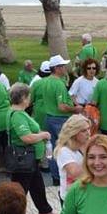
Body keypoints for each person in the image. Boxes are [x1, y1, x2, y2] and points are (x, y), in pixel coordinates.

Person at [6, 83, 57, 214]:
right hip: (24, 158)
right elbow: (26, 137)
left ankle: (44, 211)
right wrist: (43, 135)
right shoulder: (18, 116)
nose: (30, 98)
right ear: (23, 98)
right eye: (28, 96)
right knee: (19, 192)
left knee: (37, 185)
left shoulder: (19, 113)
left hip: (29, 158)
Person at [43, 55, 82, 186]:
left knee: (54, 148)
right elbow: (61, 106)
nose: (65, 68)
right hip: (59, 119)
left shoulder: (46, 81)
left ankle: (55, 176)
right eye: (63, 66)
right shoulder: (59, 84)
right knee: (65, 149)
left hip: (48, 117)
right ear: (57, 68)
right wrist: (75, 109)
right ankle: (64, 176)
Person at [54, 114, 90, 203]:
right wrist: (89, 155)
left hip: (87, 194)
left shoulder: (88, 145)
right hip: (71, 198)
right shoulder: (64, 151)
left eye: (88, 129)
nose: (88, 133)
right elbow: (75, 173)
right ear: (74, 133)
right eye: (83, 131)